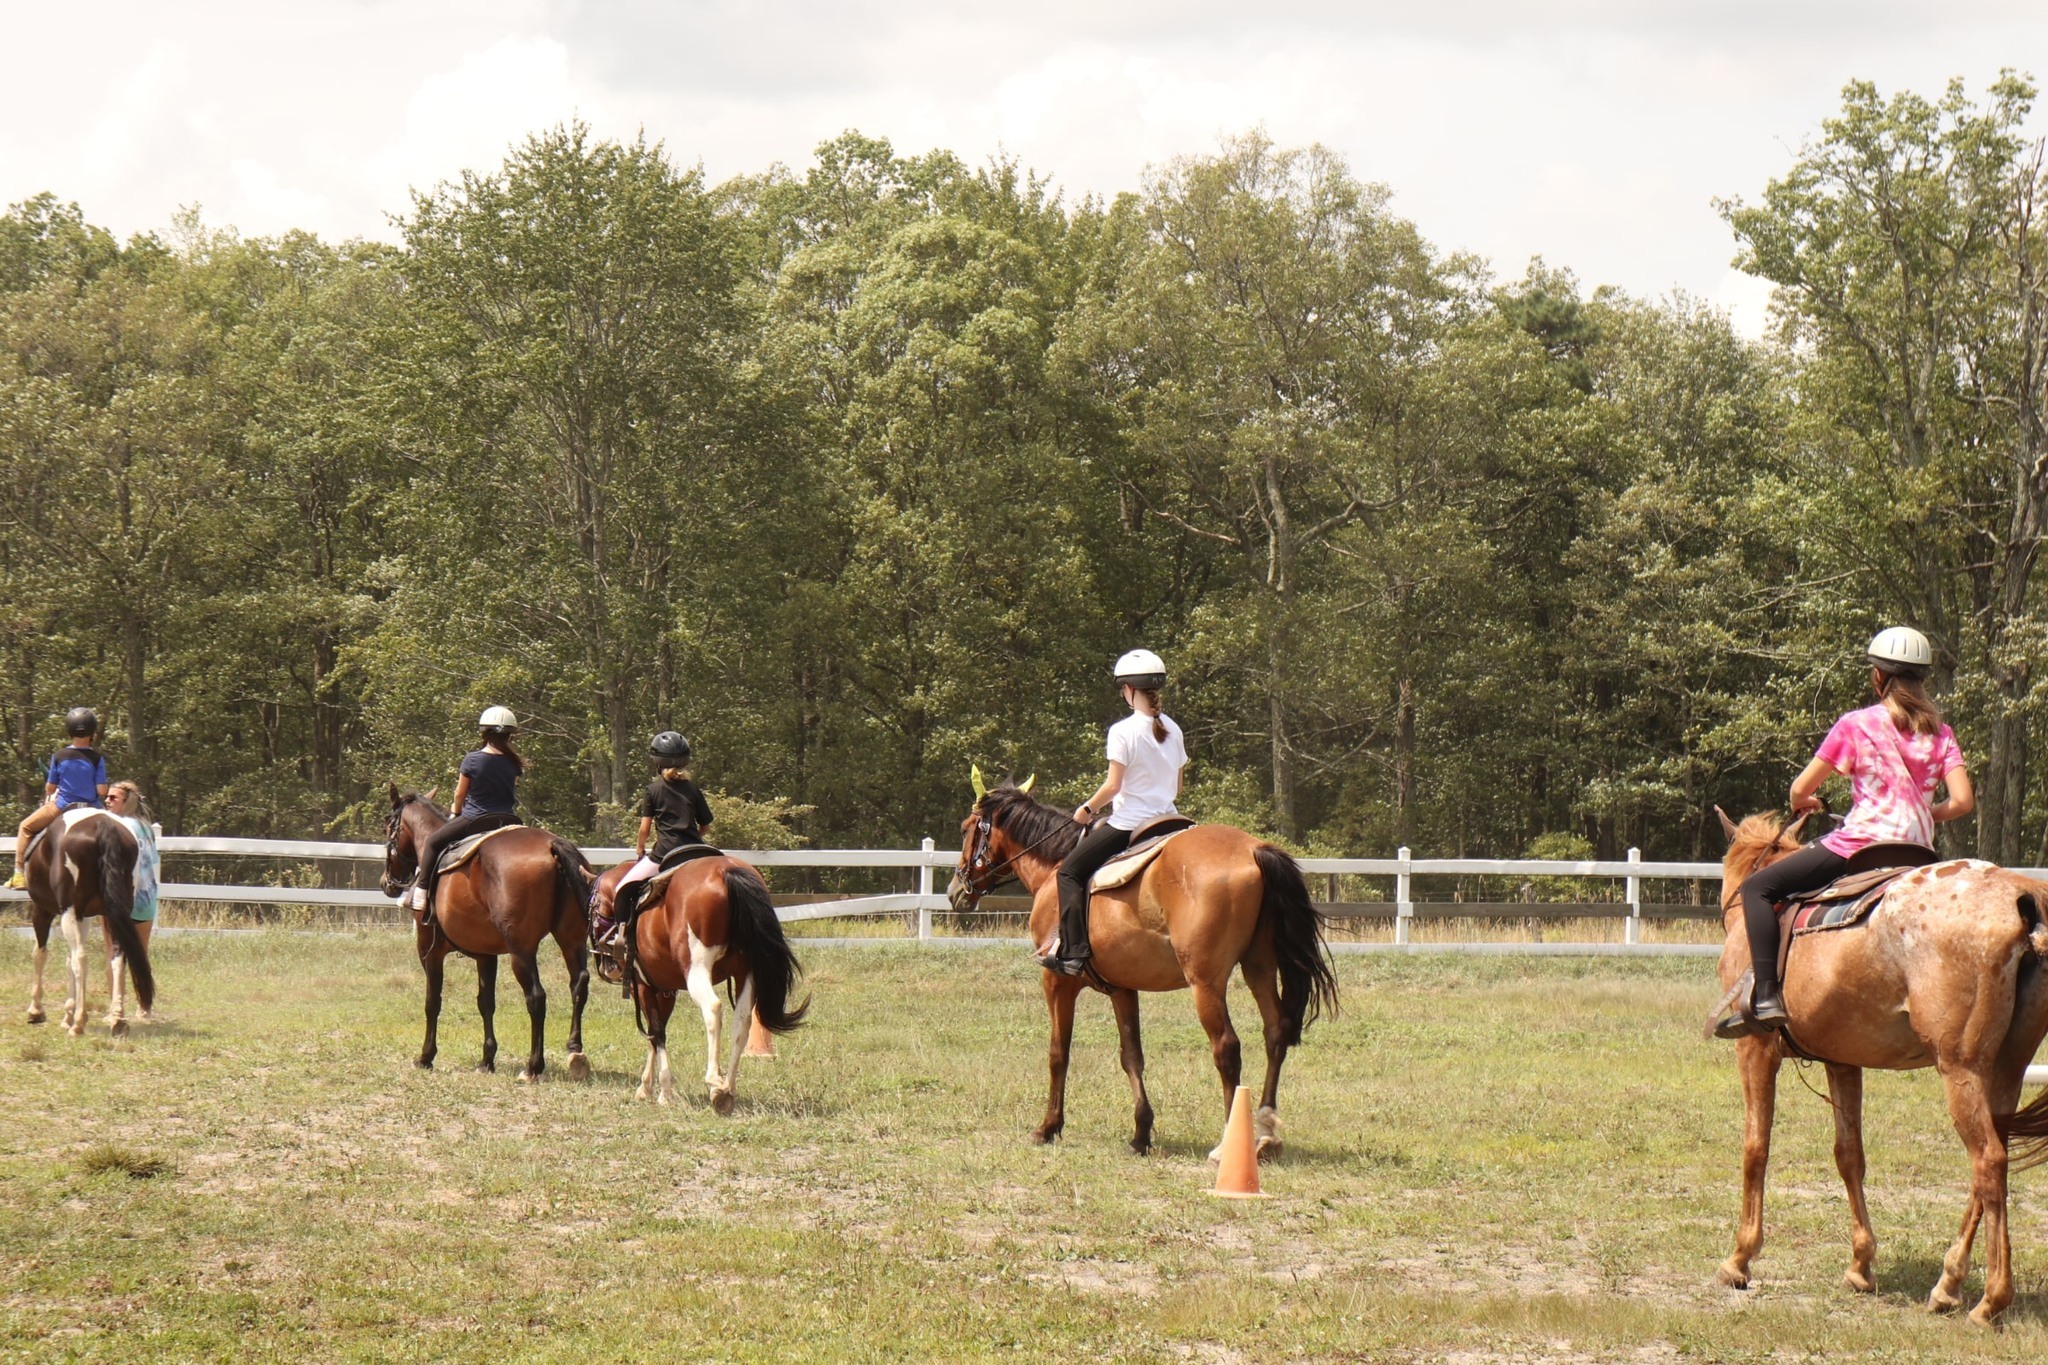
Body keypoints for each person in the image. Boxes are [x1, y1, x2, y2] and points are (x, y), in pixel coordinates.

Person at [1735, 626, 1972, 1028]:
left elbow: (1800, 788)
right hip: (1918, 853)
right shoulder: (1941, 734)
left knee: (1756, 888)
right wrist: (1926, 813)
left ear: (1878, 677)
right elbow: (1964, 801)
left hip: (1859, 846)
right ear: (1922, 679)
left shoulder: (1856, 724)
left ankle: (1768, 995)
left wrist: (1802, 803)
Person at [1043, 650, 1188, 976]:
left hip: (1131, 823)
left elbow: (1112, 786)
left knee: (1068, 872)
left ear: (1128, 690)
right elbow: (1177, 789)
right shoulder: (1174, 729)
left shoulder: (1123, 731)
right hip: (1172, 822)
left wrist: (1087, 809)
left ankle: (1074, 953)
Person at [592, 731, 715, 952]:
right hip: (697, 851)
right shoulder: (693, 789)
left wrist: (640, 849)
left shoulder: (653, 790)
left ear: (657, 762)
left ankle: (622, 937)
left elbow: (644, 829)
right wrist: (695, 837)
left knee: (622, 889)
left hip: (666, 853)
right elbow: (706, 824)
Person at [407, 706, 526, 914]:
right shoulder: (514, 763)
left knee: (433, 842)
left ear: (484, 732)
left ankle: (421, 892)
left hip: (475, 818)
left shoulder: (472, 760)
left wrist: (455, 811)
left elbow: (459, 794)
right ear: (509, 735)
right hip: (508, 819)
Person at [9, 707, 108, 890]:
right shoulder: (97, 758)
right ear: (93, 732)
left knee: (25, 827)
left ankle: (19, 873)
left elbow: (50, 788)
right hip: (93, 807)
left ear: (69, 730)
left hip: (63, 806)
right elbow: (102, 791)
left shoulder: (59, 756)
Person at [106, 780, 160, 982]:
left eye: (113, 798)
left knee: (113, 954)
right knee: (141, 956)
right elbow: (152, 860)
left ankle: (115, 1002)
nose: (107, 801)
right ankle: (143, 1007)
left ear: (126, 801)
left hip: (123, 897)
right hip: (147, 896)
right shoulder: (146, 828)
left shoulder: (119, 827)